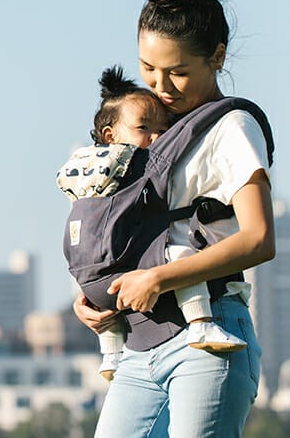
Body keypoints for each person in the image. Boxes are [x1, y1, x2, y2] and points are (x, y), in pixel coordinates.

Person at [72, 0, 276, 437]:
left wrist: (158, 278)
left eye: (178, 72)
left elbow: (260, 238)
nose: (160, 87)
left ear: (218, 57)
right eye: (149, 69)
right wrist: (90, 299)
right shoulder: (149, 134)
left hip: (211, 337)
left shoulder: (232, 128)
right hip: (141, 343)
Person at [57, 66, 248, 381]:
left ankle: (110, 356)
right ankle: (202, 324)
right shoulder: (142, 169)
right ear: (109, 135)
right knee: (182, 256)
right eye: (145, 128)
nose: (157, 138)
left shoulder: (83, 169)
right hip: (139, 284)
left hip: (94, 284)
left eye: (163, 130)